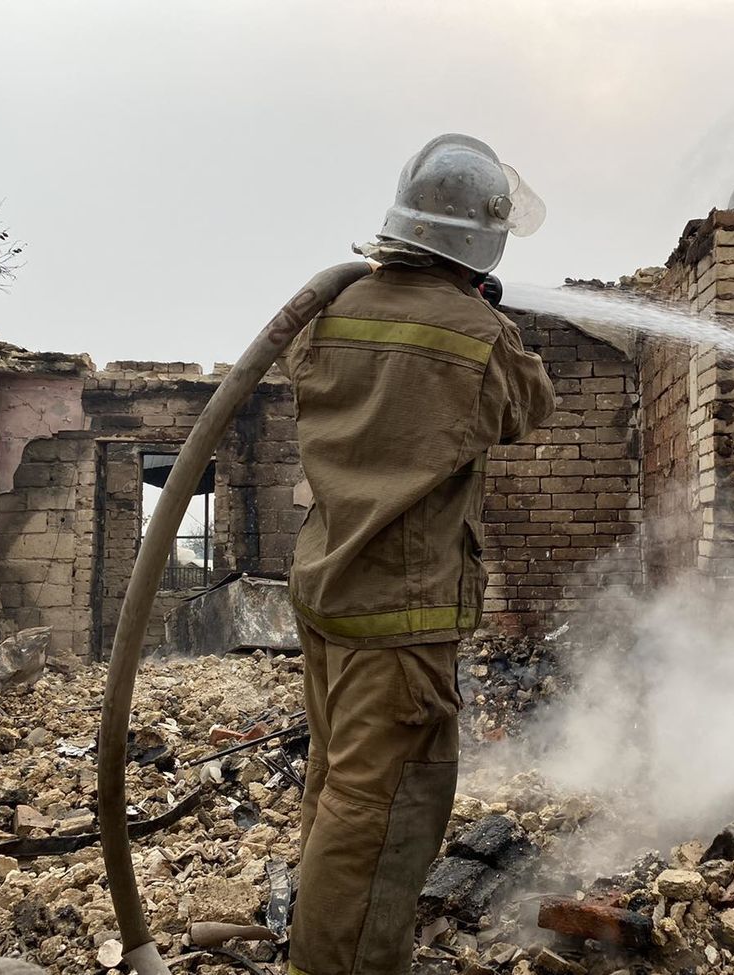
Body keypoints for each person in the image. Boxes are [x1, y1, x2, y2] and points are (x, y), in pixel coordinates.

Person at [283, 134, 556, 975]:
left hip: (330, 593)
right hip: (401, 624)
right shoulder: (478, 334)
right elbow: (529, 405)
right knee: (382, 817)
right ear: (483, 240)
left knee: (339, 796)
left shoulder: (331, 308)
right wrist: (486, 310)